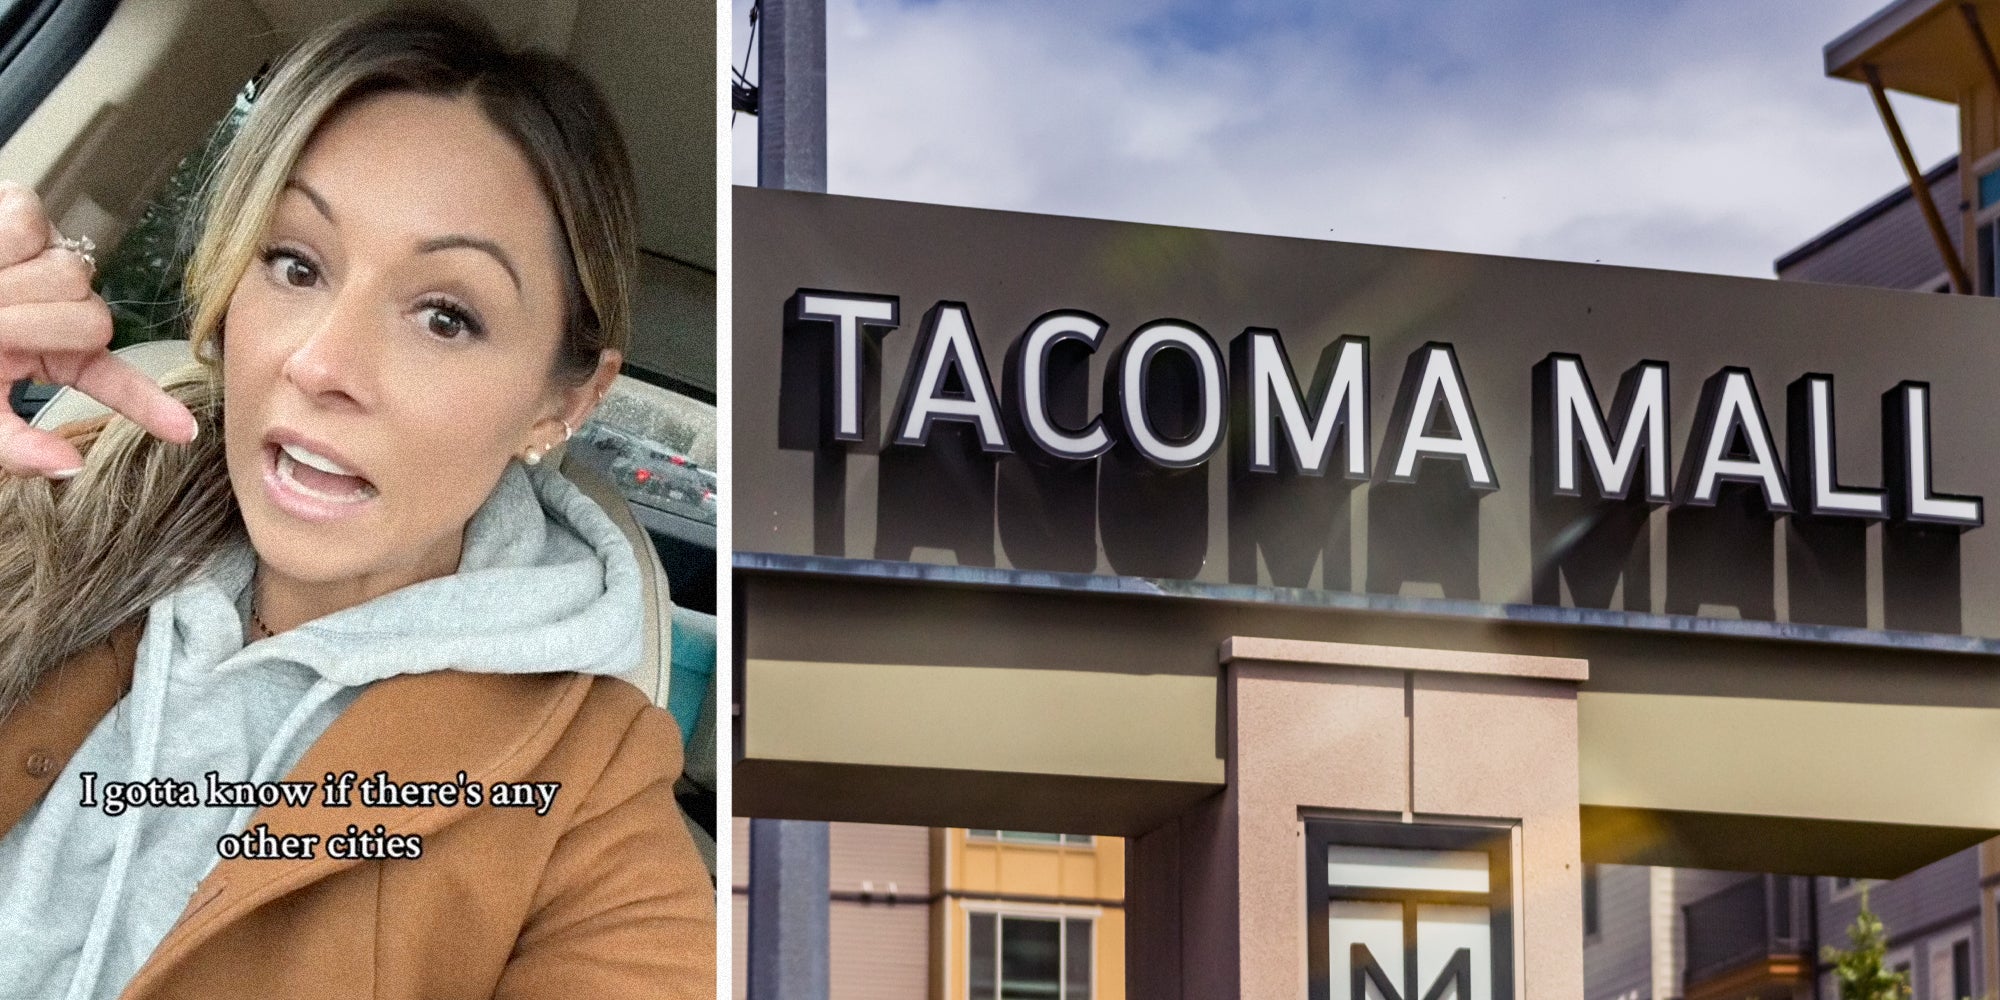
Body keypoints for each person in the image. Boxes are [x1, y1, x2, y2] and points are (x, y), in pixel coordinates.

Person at [0, 5, 714, 999]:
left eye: (446, 316)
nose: (322, 361)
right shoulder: (49, 503)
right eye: (296, 262)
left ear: (565, 400)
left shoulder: (588, 790)